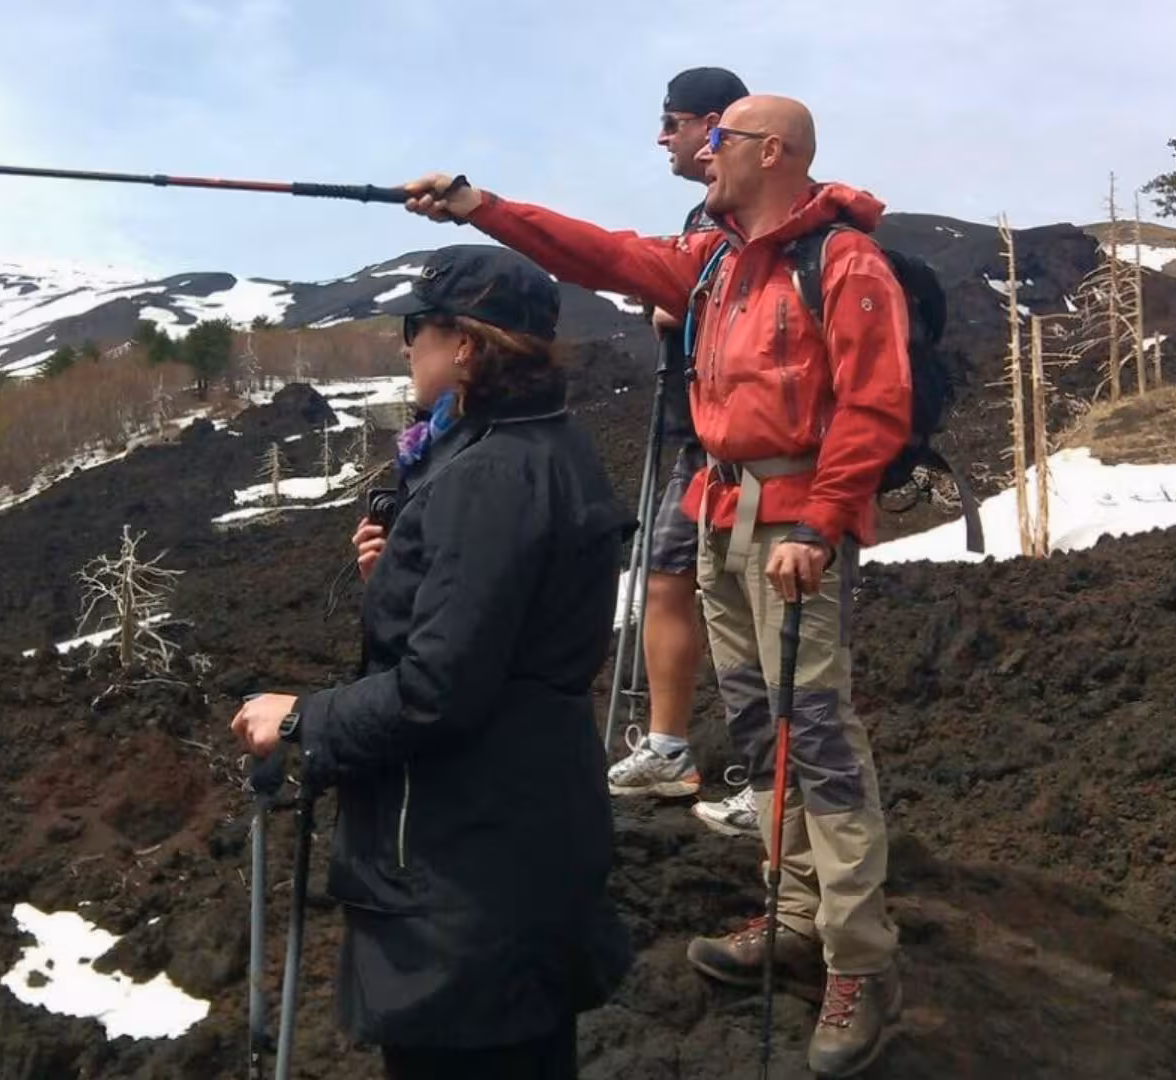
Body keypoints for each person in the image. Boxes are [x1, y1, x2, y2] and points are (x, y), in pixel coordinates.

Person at [398, 94, 906, 1077]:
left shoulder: (844, 262)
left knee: (823, 738)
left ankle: (861, 958)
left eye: (717, 140)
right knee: (764, 730)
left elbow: (876, 403)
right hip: (723, 520)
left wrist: (818, 519)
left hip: (791, 529)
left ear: (772, 152)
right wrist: (480, 206)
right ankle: (797, 915)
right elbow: (598, 254)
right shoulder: (711, 256)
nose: (702, 154)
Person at [231, 243, 634, 1080]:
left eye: (417, 328)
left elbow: (439, 689)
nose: (405, 345)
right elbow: (509, 617)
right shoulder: (543, 444)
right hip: (527, 839)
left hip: (466, 874)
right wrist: (407, 571)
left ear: (467, 345)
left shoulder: (485, 477)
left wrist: (302, 716)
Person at [605, 66, 767, 843]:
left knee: (744, 602)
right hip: (696, 435)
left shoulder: (744, 220)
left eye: (671, 121)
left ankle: (773, 785)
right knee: (672, 578)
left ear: (712, 123)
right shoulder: (711, 218)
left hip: (730, 442)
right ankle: (675, 751)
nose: (661, 136)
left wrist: (674, 310)